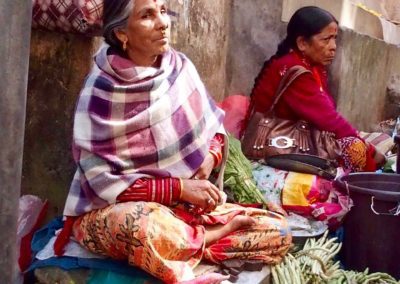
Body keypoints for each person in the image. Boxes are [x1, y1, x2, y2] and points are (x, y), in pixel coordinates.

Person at [54, 0, 291, 283]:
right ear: (121, 34)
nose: (163, 22)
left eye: (164, 11)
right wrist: (180, 188)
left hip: (184, 213)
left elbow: (213, 129)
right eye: (147, 15)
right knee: (143, 229)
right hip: (121, 210)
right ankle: (206, 240)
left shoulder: (180, 68)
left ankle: (188, 244)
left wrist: (210, 157)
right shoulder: (101, 90)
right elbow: (104, 182)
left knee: (278, 231)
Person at [245, 6, 385, 172]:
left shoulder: (311, 66)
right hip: (275, 141)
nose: (333, 46)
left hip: (295, 132)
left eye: (335, 38)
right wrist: (367, 148)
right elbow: (329, 120)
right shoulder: (296, 71)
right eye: (326, 40)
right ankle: (363, 189)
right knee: (355, 148)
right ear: (302, 43)